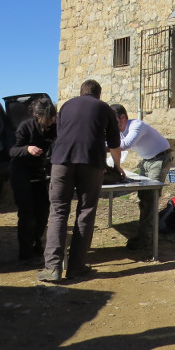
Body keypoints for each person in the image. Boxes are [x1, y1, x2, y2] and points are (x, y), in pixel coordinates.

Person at [37, 80, 124, 282]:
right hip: (91, 163)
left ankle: (52, 268)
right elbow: (114, 144)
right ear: (98, 94)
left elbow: (60, 133)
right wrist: (117, 166)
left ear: (81, 93)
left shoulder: (66, 105)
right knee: (85, 212)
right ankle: (76, 267)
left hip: (61, 162)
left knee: (58, 211)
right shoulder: (104, 108)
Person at [110, 103, 173, 250]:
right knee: (144, 198)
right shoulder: (120, 130)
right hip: (147, 160)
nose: (113, 125)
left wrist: (98, 146)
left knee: (150, 198)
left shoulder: (137, 125)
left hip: (160, 158)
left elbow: (124, 145)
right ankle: (146, 233)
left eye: (115, 121)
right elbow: (116, 145)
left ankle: (146, 238)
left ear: (123, 117)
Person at [9, 98, 57, 264]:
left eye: (53, 117)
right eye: (48, 117)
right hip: (21, 174)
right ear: (37, 115)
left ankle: (37, 244)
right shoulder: (26, 127)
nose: (51, 120)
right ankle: (25, 252)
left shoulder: (54, 128)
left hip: (40, 174)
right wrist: (26, 149)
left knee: (43, 211)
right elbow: (12, 151)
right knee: (27, 213)